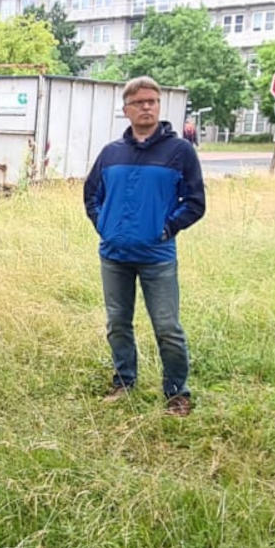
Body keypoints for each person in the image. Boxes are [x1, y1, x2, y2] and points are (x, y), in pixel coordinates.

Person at [83, 76, 205, 417]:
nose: (147, 106)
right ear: (126, 110)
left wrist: (165, 229)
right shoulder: (111, 153)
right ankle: (124, 381)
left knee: (167, 327)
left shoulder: (179, 151)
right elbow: (92, 194)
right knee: (118, 322)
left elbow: (195, 202)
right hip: (115, 256)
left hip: (157, 257)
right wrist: (105, 227)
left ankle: (176, 393)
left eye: (153, 101)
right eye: (140, 102)